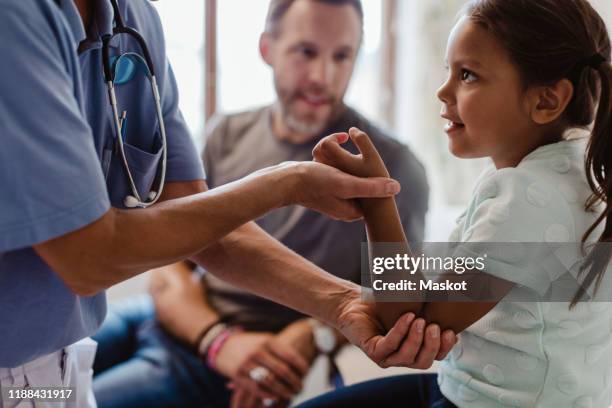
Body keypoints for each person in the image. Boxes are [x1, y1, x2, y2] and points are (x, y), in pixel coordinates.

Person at [0, 0, 455, 407]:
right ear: (267, 49)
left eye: (342, 56)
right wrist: (285, 184)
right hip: (135, 330)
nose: (322, 76)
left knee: (93, 395)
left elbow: (393, 293)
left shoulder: (134, 21)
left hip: (80, 359)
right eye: (305, 52)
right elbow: (108, 254)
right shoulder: (227, 132)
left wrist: (333, 313)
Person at [298, 0, 612, 406]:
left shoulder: (527, 199)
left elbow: (411, 323)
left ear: (547, 101)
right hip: (468, 387)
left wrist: (376, 196)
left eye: (467, 75)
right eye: (449, 71)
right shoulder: (581, 167)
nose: (443, 91)